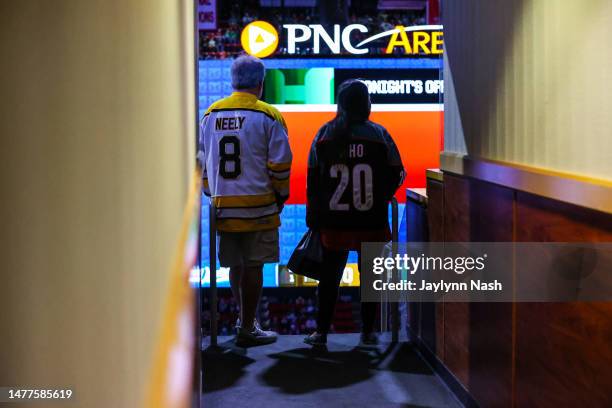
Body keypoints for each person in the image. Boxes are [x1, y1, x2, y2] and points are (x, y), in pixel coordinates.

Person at [198, 55, 292, 347]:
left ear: (233, 81)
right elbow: (280, 164)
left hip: (223, 206)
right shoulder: (268, 115)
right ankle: (248, 327)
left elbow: (201, 161)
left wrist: (210, 192)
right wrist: (280, 196)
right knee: (254, 267)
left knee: (234, 266)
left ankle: (243, 319)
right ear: (261, 84)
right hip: (260, 207)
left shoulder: (211, 113)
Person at [304, 79, 404, 346]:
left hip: (334, 223)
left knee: (329, 279)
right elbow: (398, 173)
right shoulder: (380, 135)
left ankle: (321, 333)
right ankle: (368, 333)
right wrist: (379, 196)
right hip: (370, 220)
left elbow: (313, 178)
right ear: (366, 104)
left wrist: (313, 215)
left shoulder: (324, 134)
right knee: (370, 278)